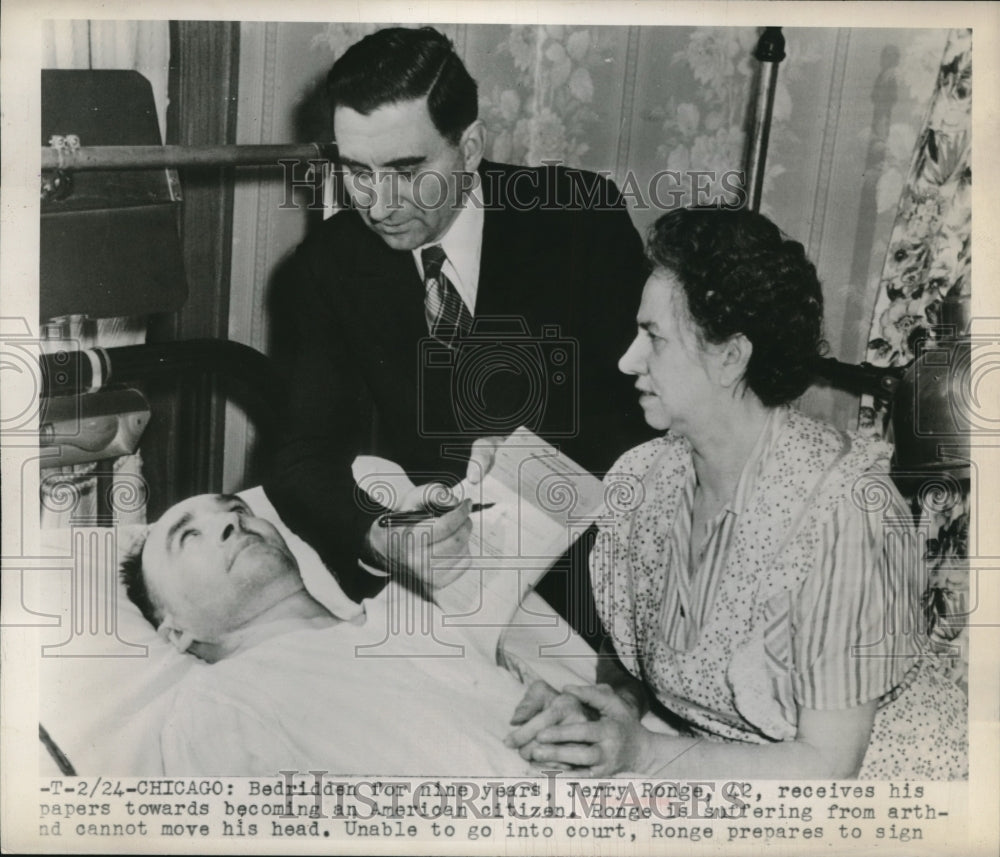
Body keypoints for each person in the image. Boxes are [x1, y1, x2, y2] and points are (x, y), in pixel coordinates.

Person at [504, 207, 968, 779]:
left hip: (896, 798)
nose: (628, 361)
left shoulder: (845, 514)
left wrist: (645, 753)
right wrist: (610, 715)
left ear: (730, 357)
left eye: (654, 338)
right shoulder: (645, 479)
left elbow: (829, 767)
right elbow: (638, 660)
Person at [265, 26, 649, 642]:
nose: (378, 205)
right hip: (424, 591)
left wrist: (534, 468)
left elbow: (649, 418)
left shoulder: (577, 222)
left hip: (591, 572)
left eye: (406, 170)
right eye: (356, 172)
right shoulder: (325, 270)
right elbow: (299, 457)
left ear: (469, 148)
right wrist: (384, 537)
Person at [120, 492, 546, 776]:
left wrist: (607, 735)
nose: (232, 520)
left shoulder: (416, 616)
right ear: (176, 631)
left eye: (239, 509)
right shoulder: (220, 707)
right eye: (189, 536)